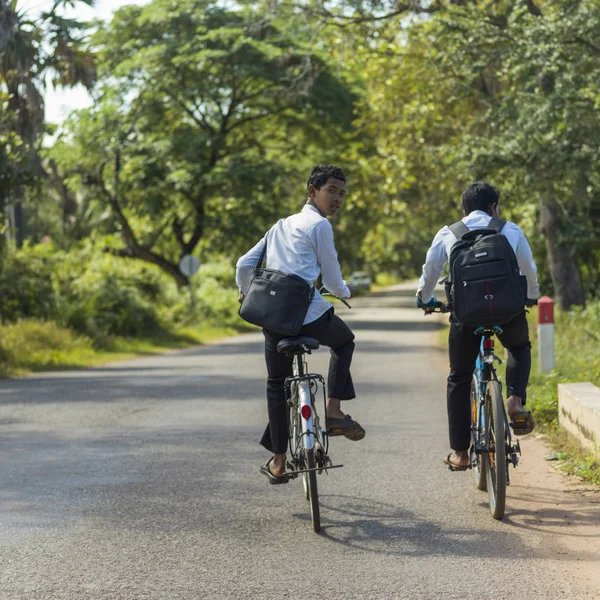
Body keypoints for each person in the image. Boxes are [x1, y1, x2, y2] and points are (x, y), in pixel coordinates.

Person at [236, 164, 365, 484]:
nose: (338, 199)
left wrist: (244, 292)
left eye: (342, 194)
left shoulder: (279, 226)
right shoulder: (319, 226)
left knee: (276, 385)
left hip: (275, 319)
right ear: (312, 190)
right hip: (308, 316)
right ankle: (334, 411)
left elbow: (244, 264)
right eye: (331, 190)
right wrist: (345, 291)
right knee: (344, 341)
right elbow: (333, 280)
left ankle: (279, 462)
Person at [416, 182, 540, 470]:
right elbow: (529, 269)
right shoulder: (510, 230)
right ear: (493, 206)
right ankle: (515, 401)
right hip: (507, 314)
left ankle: (460, 453)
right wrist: (530, 297)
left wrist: (425, 300)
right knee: (519, 347)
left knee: (459, 378)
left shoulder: (449, 233)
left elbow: (430, 273)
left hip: (466, 317)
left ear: (464, 209)